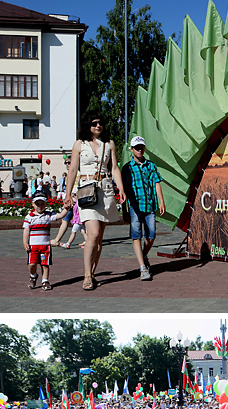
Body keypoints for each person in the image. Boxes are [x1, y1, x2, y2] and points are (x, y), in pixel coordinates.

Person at [64, 110, 126, 291]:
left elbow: (114, 168)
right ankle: (87, 275)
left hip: (105, 190)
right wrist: (68, 194)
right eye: (93, 123)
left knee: (99, 237)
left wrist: (121, 188)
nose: (98, 125)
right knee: (92, 233)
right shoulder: (79, 144)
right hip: (86, 191)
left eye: (100, 122)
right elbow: (73, 170)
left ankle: (92, 272)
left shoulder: (109, 144)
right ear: (87, 125)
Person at [121, 134, 166, 277]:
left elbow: (156, 182)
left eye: (141, 147)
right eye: (136, 148)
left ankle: (144, 254)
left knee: (151, 236)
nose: (139, 150)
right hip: (135, 206)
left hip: (149, 205)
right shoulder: (127, 168)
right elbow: (124, 190)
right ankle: (142, 268)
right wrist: (124, 210)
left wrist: (161, 201)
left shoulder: (150, 165)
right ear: (132, 150)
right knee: (136, 236)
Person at [22, 189, 61, 290]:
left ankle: (45, 281)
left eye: (42, 203)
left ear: (45, 204)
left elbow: (60, 216)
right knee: (32, 264)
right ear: (33, 204)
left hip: (45, 245)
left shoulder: (48, 215)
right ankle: (33, 276)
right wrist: (25, 242)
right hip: (33, 246)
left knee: (45, 264)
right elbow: (26, 231)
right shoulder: (29, 217)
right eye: (37, 203)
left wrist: (66, 208)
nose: (40, 206)